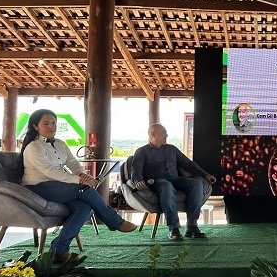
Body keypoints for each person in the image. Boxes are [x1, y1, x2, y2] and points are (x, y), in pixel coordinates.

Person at [21, 109, 136, 262]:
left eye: (54, 123)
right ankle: (115, 221)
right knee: (83, 188)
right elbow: (49, 171)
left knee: (84, 207)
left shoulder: (60, 143)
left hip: (58, 187)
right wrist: (79, 180)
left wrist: (82, 174)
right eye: (46, 123)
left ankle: (58, 250)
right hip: (38, 187)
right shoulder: (33, 147)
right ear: (35, 126)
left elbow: (72, 162)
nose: (51, 126)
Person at [131, 123, 216, 240]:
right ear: (153, 134)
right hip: (157, 182)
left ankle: (192, 227)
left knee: (196, 184)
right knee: (166, 185)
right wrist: (138, 181)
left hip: (175, 179)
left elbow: (188, 164)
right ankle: (173, 228)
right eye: (163, 133)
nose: (167, 135)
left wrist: (205, 175)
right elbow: (136, 169)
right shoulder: (142, 152)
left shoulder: (172, 149)